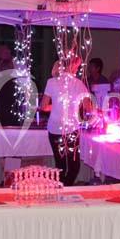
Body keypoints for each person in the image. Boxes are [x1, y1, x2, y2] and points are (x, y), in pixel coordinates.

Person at [40, 57, 92, 186]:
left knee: (60, 163)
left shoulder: (51, 82)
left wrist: (57, 105)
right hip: (71, 130)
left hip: (54, 129)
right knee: (74, 165)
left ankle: (61, 188)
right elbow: (88, 108)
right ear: (73, 67)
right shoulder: (79, 84)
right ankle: (67, 187)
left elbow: (43, 106)